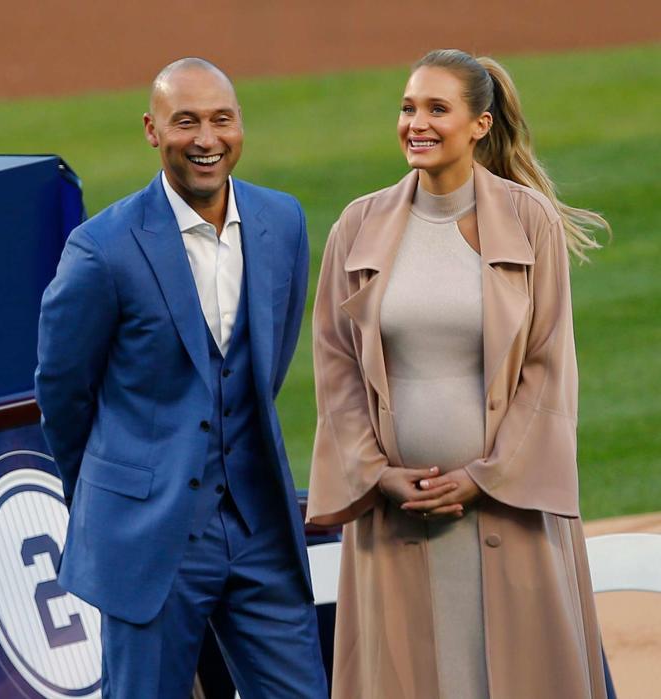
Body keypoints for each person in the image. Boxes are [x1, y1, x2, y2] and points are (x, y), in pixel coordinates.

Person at [307, 49, 611, 699]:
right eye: (408, 107)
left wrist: (484, 476)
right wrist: (374, 471)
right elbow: (334, 366)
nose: (416, 122)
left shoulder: (530, 222)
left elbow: (549, 366)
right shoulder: (357, 225)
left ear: (479, 124)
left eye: (437, 109)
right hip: (395, 518)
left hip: (511, 509)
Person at [35, 57, 328, 699]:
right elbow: (62, 392)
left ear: (239, 124)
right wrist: (120, 492)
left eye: (222, 119)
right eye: (185, 121)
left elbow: (265, 364)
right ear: (151, 129)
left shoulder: (283, 223)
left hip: (258, 530)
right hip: (148, 540)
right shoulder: (101, 248)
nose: (206, 139)